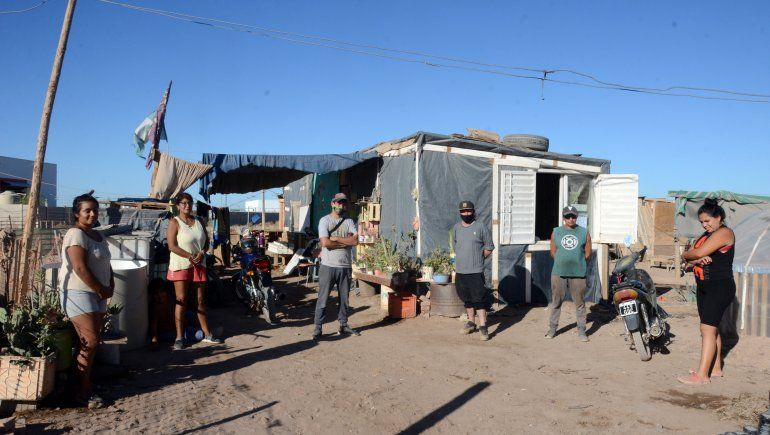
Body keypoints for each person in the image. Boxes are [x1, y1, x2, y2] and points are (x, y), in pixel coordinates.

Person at [59, 193, 114, 408]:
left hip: (99, 293)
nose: (92, 214)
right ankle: (81, 392)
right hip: (78, 293)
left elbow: (106, 264)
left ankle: (85, 383)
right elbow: (80, 268)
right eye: (87, 210)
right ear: (76, 213)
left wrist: (110, 286)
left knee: (92, 343)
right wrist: (101, 289)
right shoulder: (75, 234)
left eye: (95, 210)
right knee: (88, 342)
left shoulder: (97, 236)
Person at [678, 198, 735, 385]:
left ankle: (702, 376)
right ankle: (716, 368)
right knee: (712, 328)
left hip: (719, 287)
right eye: (702, 222)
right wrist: (695, 259)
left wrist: (688, 255)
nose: (705, 224)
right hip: (704, 287)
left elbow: (693, 253)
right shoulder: (705, 236)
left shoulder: (724, 233)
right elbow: (694, 257)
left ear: (718, 217)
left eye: (708, 221)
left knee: (707, 329)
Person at [166, 192, 222, 350]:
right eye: (183, 203)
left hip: (199, 264)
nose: (187, 206)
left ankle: (207, 334)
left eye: (189, 203)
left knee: (200, 300)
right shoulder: (174, 222)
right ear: (178, 206)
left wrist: (202, 252)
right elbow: (172, 246)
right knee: (181, 299)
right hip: (181, 264)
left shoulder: (199, 221)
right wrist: (190, 256)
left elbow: (206, 242)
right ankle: (179, 337)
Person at [313, 193, 360, 340]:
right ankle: (318, 328)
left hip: (345, 266)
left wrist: (337, 239)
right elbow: (325, 243)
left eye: (343, 203)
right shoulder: (324, 220)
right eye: (338, 203)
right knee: (323, 298)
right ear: (332, 204)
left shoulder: (349, 221)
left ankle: (343, 325)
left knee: (344, 299)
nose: (341, 206)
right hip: (328, 266)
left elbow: (355, 241)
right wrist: (345, 241)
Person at [546, 205, 592, 342]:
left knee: (580, 304)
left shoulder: (584, 232)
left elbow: (588, 252)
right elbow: (553, 251)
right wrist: (562, 261)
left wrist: (577, 262)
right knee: (556, 302)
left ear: (577, 217)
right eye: (567, 216)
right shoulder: (556, 232)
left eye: (573, 216)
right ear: (563, 218)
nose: (570, 219)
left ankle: (582, 331)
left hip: (578, 273)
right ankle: (552, 329)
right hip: (558, 273)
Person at [453, 201, 495, 341]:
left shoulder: (480, 227)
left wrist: (477, 257)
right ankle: (471, 323)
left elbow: (489, 247)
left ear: (474, 211)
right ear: (460, 213)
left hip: (475, 271)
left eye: (469, 211)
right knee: (467, 299)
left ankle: (483, 326)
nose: (466, 214)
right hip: (461, 271)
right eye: (463, 211)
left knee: (479, 300)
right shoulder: (456, 228)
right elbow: (456, 246)